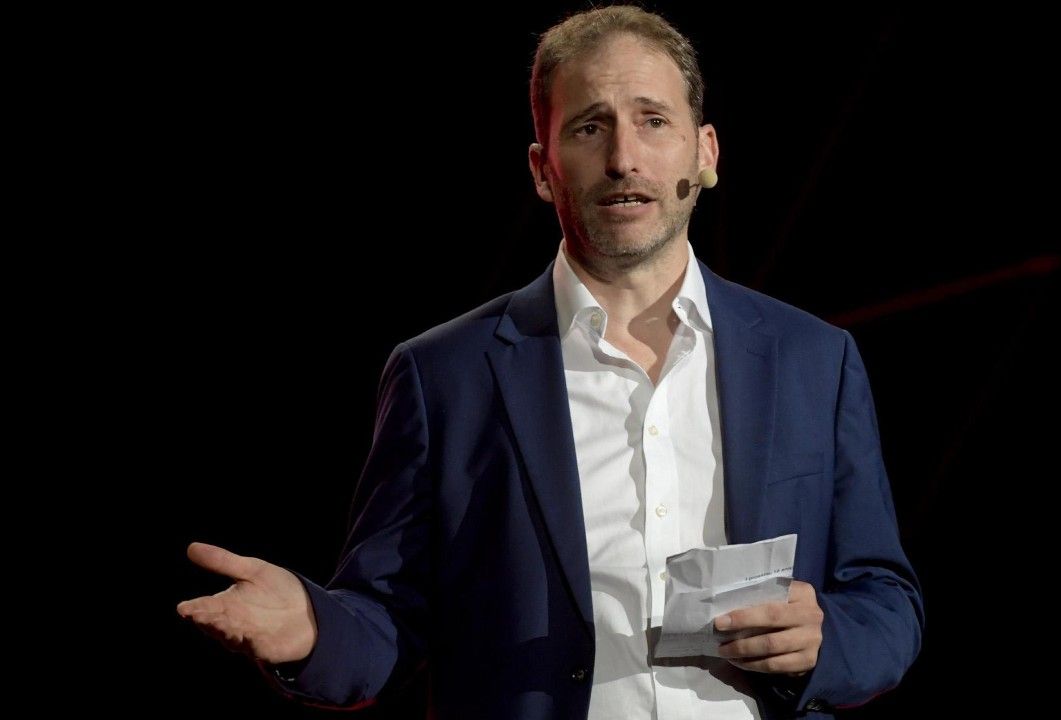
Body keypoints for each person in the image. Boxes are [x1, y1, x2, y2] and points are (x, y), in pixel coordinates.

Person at [177, 5, 924, 718]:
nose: (623, 158)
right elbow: (387, 618)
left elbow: (884, 599)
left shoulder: (811, 358)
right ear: (543, 168)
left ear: (705, 152)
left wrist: (824, 641)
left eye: (653, 120)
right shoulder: (445, 377)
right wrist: (314, 632)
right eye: (590, 127)